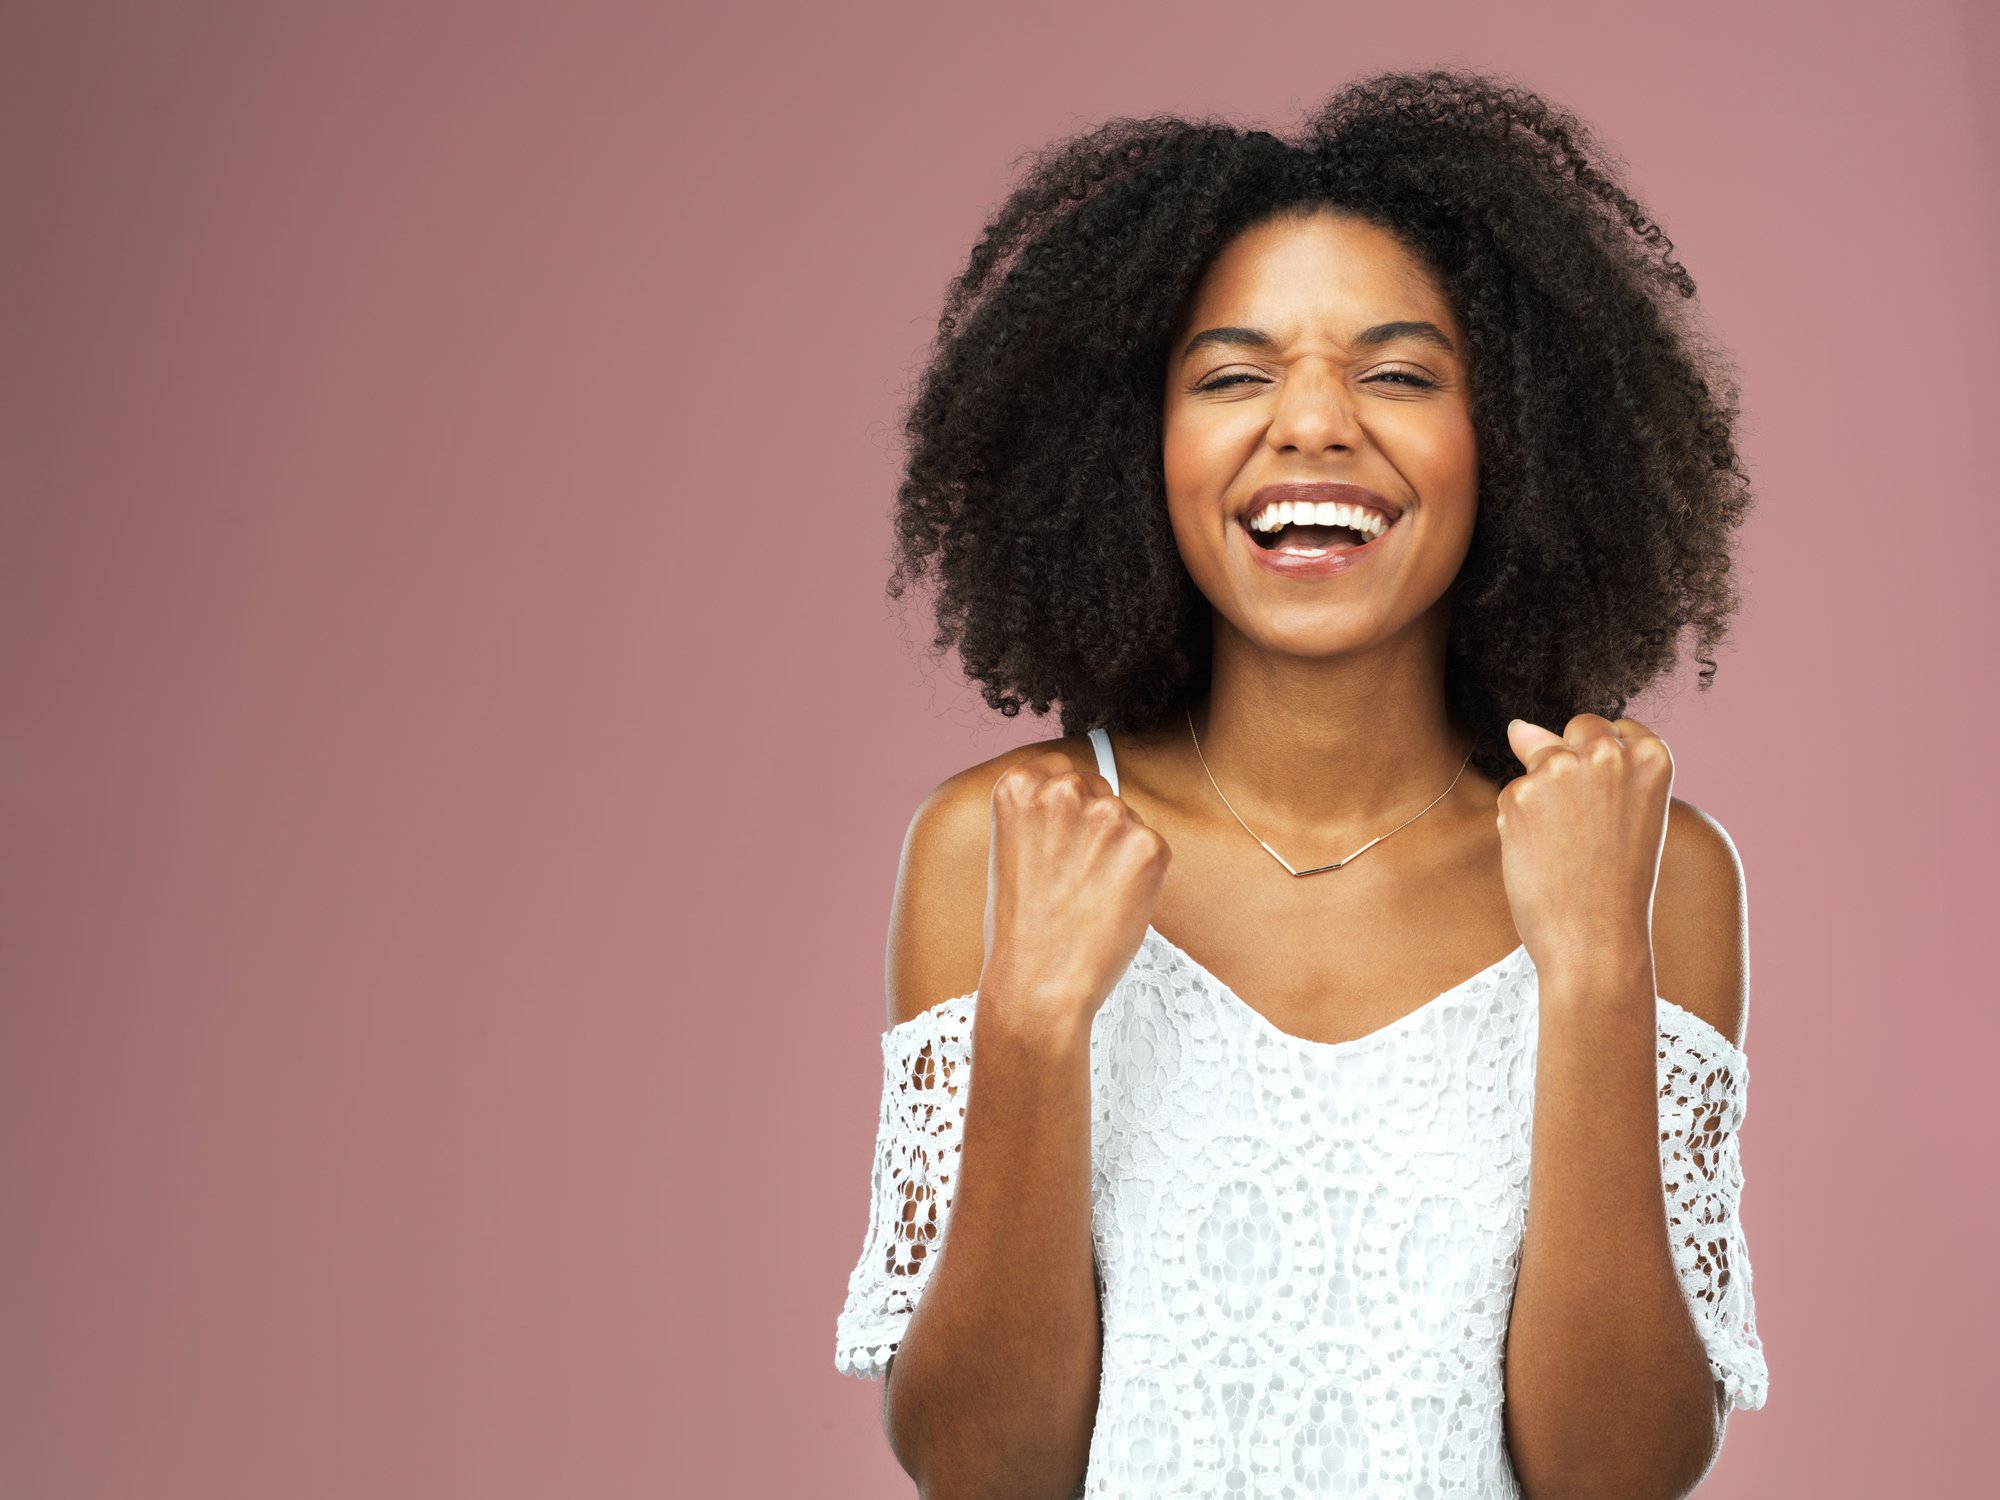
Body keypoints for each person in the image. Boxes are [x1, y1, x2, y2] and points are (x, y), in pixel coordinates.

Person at [834, 65, 1769, 1500]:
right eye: (1232, 375)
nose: (1314, 424)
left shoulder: (1649, 869)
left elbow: (1618, 1477)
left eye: (1397, 373)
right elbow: (979, 1471)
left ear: (1514, 436)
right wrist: (1032, 1021)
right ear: (1133, 447)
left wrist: (1593, 975)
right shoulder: (1004, 844)